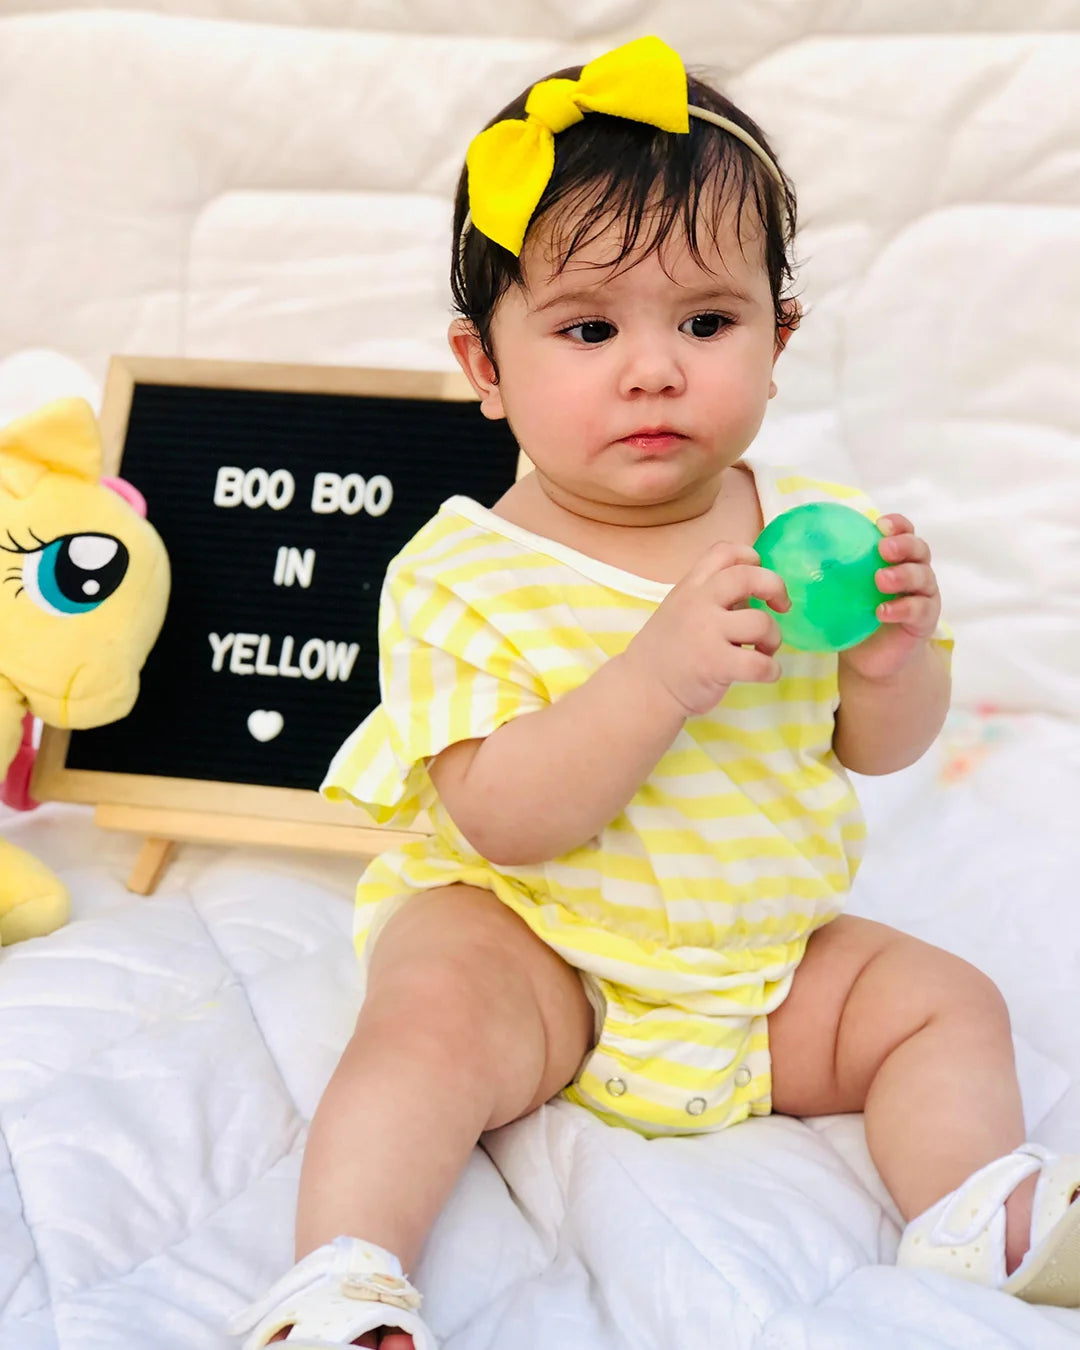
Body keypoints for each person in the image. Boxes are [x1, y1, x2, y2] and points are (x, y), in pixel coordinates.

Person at [231, 35, 1080, 1350]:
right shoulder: (462, 576)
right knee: (427, 1013)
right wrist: (656, 674)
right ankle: (343, 1269)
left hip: (756, 961)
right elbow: (503, 816)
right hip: (539, 941)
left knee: (946, 999)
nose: (653, 368)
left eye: (706, 321)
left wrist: (889, 662)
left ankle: (975, 1209)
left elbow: (881, 750)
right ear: (484, 365)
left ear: (780, 337)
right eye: (587, 327)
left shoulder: (817, 529)